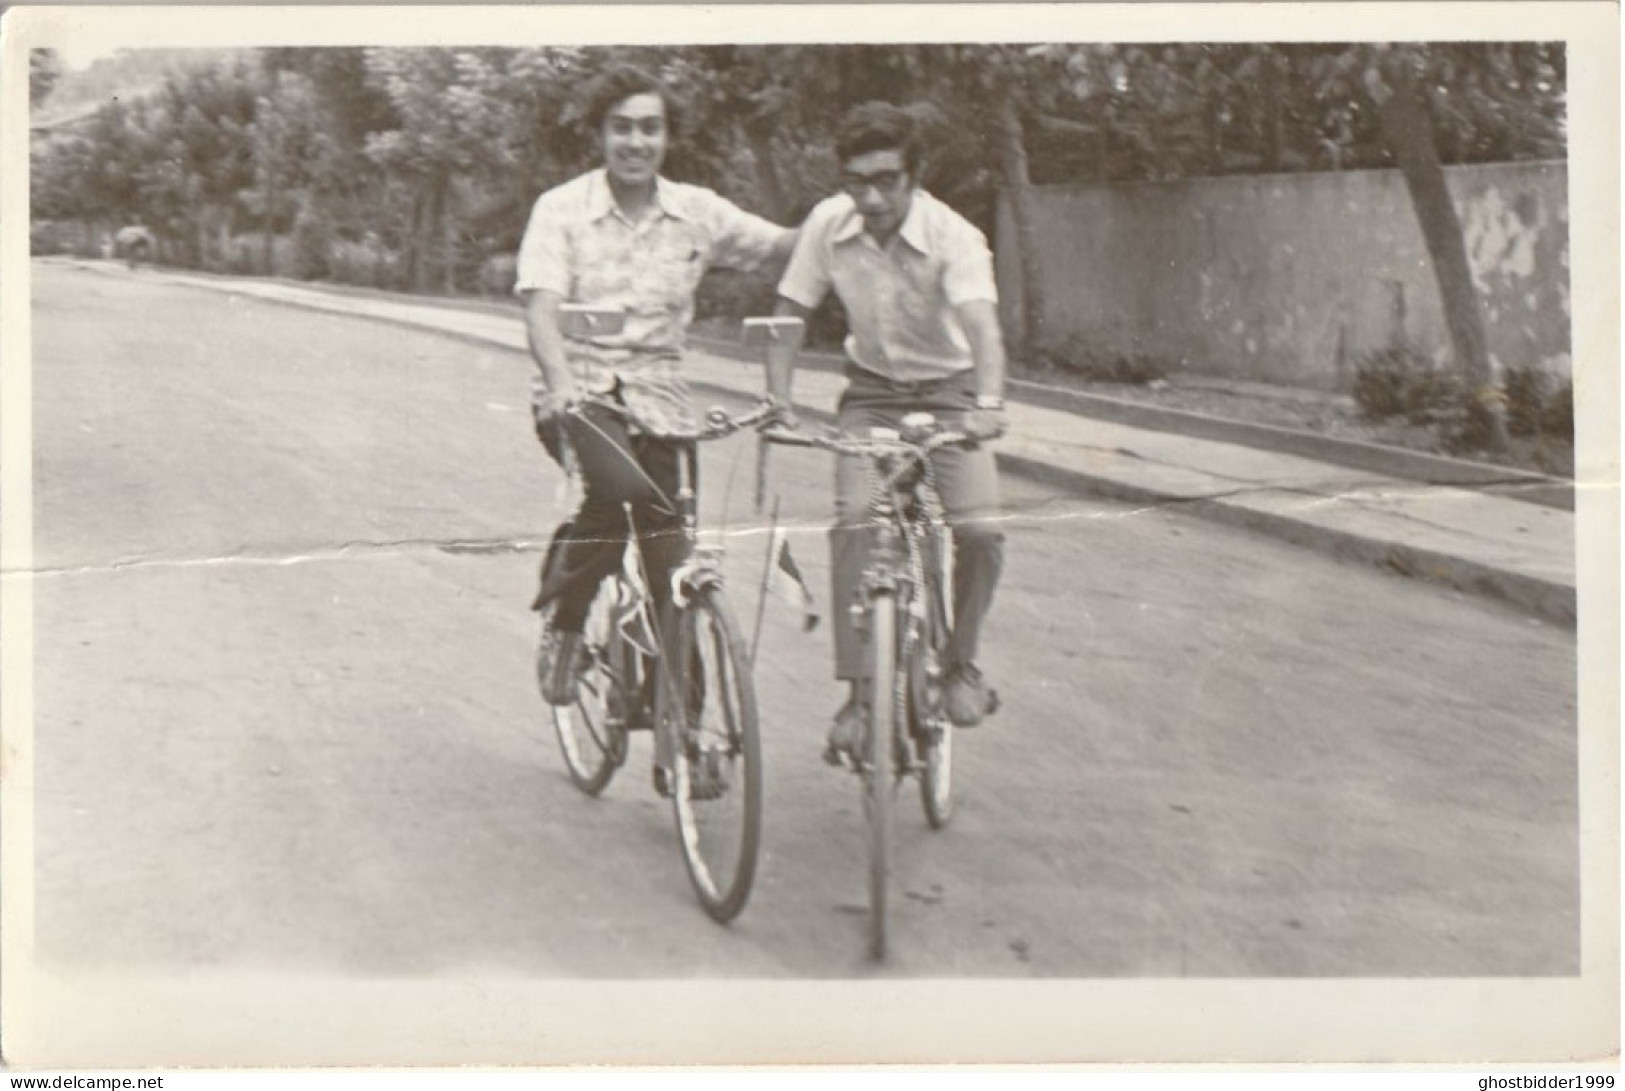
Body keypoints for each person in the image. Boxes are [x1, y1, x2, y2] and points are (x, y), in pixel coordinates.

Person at [516, 63, 797, 705]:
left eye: (650, 128)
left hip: (664, 403)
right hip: (581, 393)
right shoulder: (561, 210)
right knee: (617, 492)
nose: (636, 142)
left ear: (667, 136)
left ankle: (685, 734)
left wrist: (848, 213)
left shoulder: (697, 212)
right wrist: (559, 382)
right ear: (600, 135)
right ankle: (564, 621)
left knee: (672, 561)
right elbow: (540, 309)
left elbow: (783, 247)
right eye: (621, 128)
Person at [763, 101, 1009, 761]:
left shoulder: (954, 236)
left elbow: (983, 326)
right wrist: (778, 400)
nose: (870, 197)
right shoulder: (827, 224)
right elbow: (790, 312)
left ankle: (959, 664)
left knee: (980, 529)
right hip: (869, 395)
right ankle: (858, 695)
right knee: (851, 524)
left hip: (951, 393)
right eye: (856, 181)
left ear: (914, 175)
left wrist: (986, 403)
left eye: (886, 180)